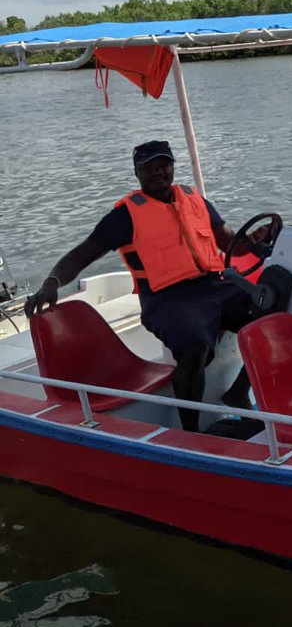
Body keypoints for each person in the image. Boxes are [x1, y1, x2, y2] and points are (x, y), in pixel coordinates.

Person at [23, 140, 272, 432]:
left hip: (215, 286)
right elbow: (82, 253)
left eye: (164, 164)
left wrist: (255, 239)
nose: (159, 172)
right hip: (166, 299)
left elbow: (230, 245)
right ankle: (192, 435)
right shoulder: (125, 216)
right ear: (137, 172)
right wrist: (52, 282)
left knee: (273, 314)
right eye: (150, 167)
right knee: (194, 348)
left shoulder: (196, 201)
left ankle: (239, 392)